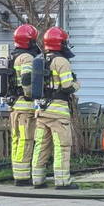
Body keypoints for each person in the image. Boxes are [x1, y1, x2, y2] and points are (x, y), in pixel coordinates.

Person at [31, 27, 81, 190]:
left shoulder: (40, 59)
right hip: (58, 114)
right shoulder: (62, 61)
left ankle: (37, 180)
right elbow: (67, 86)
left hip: (41, 111)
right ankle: (62, 181)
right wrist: (77, 84)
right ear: (60, 43)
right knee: (62, 147)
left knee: (41, 147)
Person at [9, 24, 41, 187]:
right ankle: (22, 177)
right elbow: (27, 81)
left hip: (15, 107)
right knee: (26, 141)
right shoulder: (27, 58)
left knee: (16, 140)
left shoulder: (13, 56)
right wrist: (32, 96)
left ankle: (17, 173)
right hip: (25, 109)